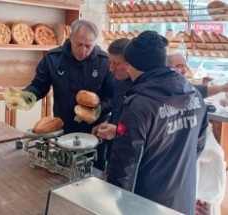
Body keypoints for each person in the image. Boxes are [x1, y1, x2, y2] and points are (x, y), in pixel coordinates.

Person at [107, 30, 208, 215]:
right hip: (182, 199)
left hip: (146, 204)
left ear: (135, 64)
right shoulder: (195, 95)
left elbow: (123, 168)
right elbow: (197, 148)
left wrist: (117, 205)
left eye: (128, 63)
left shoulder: (138, 106)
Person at [24, 19, 115, 170]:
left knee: (94, 174)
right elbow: (39, 85)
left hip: (95, 130)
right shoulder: (53, 58)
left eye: (88, 46)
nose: (83, 50)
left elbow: (114, 97)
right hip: (63, 128)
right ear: (70, 37)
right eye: (79, 44)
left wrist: (97, 110)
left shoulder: (104, 62)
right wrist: (27, 96)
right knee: (63, 170)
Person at [168, 53, 226, 215]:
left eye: (185, 66)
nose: (184, 70)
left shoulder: (187, 89)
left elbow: (199, 90)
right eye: (179, 66)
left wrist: (220, 88)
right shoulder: (169, 91)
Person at [92, 38, 131, 172]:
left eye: (116, 63)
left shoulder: (141, 89)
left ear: (130, 63)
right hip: (113, 153)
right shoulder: (119, 79)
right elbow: (117, 111)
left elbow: (141, 132)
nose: (111, 68)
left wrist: (116, 131)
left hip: (129, 162)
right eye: (110, 62)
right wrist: (108, 122)